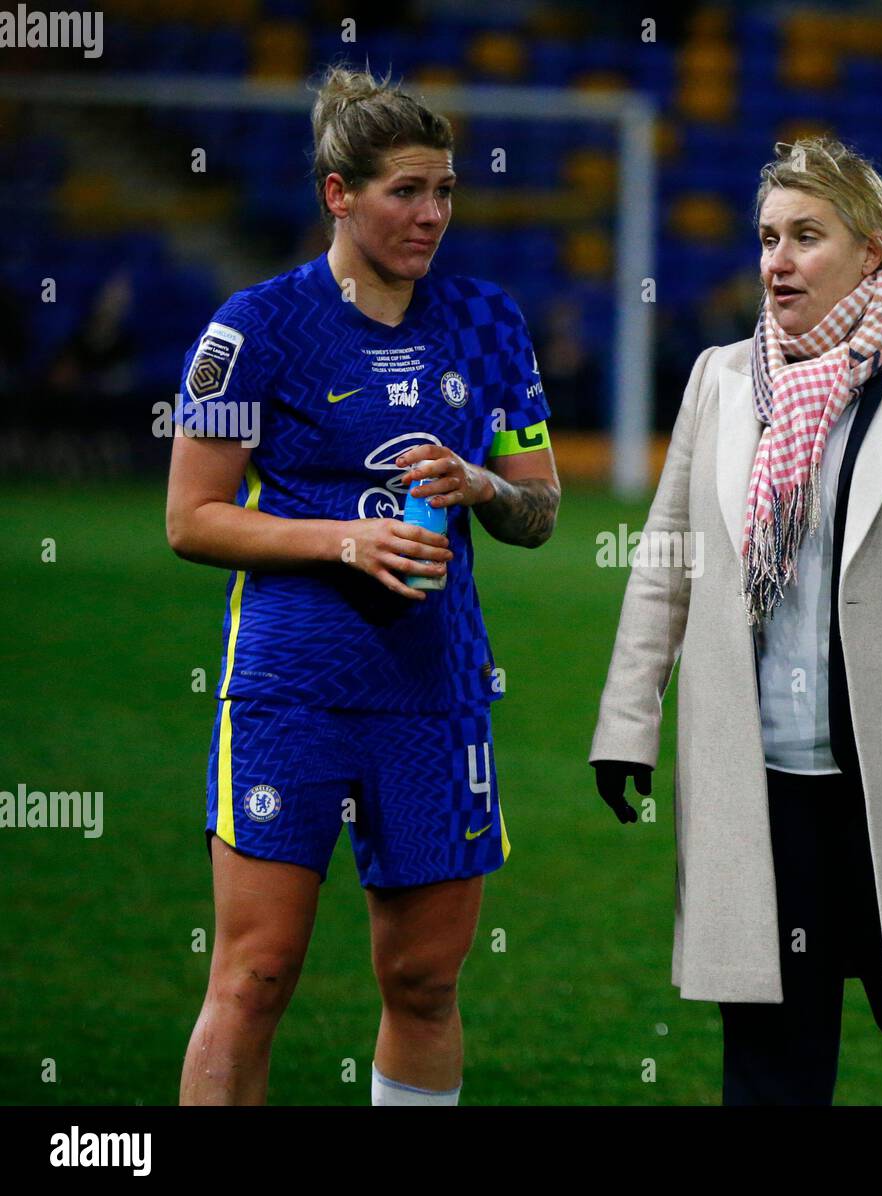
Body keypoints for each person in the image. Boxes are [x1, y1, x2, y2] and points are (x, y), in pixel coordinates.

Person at [590, 137, 882, 1105]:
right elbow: (666, 558)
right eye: (766, 238)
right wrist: (625, 722)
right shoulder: (720, 377)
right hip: (757, 776)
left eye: (805, 236)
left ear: (872, 249)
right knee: (769, 1053)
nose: (777, 261)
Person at [167, 64, 559, 1106]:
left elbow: (539, 509)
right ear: (338, 193)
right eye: (404, 191)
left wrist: (479, 483)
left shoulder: (486, 321)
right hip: (289, 688)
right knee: (254, 976)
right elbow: (192, 517)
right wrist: (346, 540)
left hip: (435, 691)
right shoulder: (254, 328)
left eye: (445, 191)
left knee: (425, 981)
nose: (432, 214)